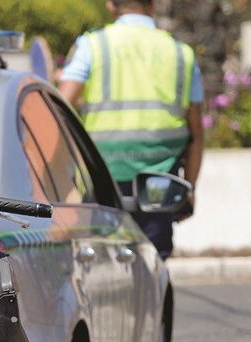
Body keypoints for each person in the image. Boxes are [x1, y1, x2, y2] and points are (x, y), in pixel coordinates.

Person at [58, 0, 204, 259]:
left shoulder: (93, 45)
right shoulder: (181, 53)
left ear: (111, 5)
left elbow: (61, 106)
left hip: (103, 178)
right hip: (159, 181)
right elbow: (196, 134)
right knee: (152, 262)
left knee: (103, 263)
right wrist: (188, 189)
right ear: (153, 6)